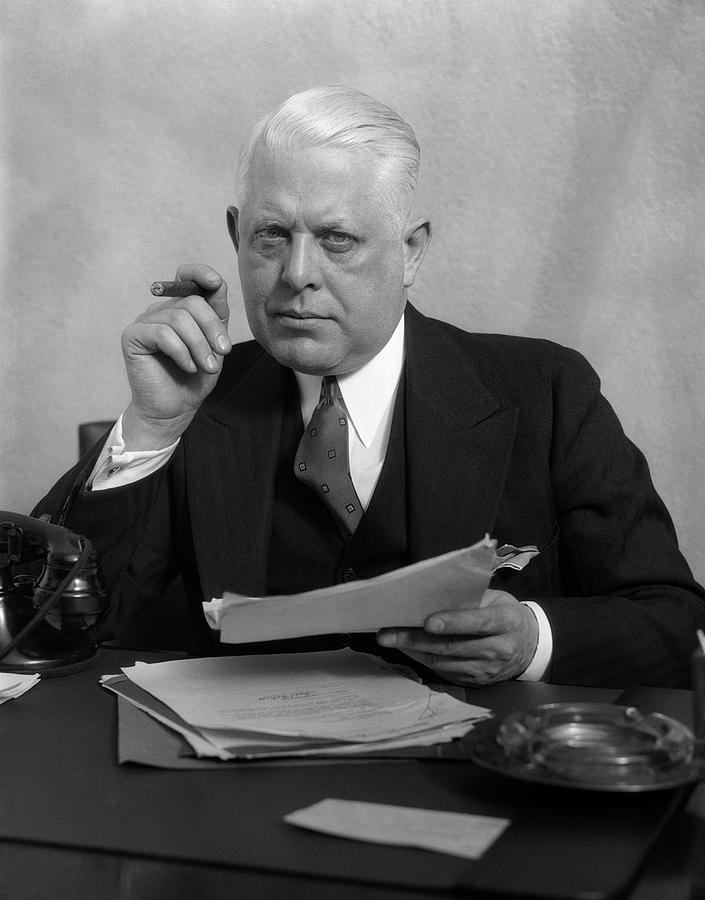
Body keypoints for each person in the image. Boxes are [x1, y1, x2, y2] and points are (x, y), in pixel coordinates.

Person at [35, 86, 705, 688]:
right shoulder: (199, 398)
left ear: (410, 251)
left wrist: (532, 640)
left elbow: (674, 623)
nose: (297, 274)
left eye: (337, 240)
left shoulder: (547, 391)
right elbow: (49, 628)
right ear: (237, 235)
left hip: (472, 788)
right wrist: (152, 425)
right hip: (236, 799)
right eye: (272, 236)